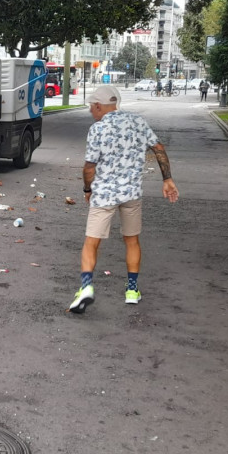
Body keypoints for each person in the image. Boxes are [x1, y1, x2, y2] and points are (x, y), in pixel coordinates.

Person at [67, 85, 179, 314]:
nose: (91, 112)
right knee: (132, 241)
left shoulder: (98, 129)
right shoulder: (137, 122)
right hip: (131, 194)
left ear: (99, 106)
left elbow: (89, 167)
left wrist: (87, 189)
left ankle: (86, 287)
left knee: (91, 242)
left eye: (91, 107)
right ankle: (131, 290)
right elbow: (158, 147)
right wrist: (167, 179)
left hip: (104, 194)